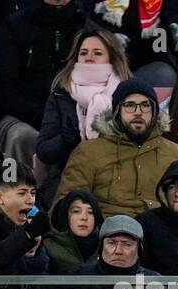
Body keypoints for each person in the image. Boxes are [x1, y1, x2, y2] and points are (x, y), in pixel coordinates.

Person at [55, 78, 178, 218]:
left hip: (159, 231)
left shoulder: (174, 153)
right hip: (106, 232)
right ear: (117, 111)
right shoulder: (89, 152)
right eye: (130, 105)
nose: (138, 112)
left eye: (145, 105)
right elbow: (67, 204)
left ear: (154, 111)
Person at [36, 29, 132, 205]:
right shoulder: (61, 94)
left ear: (112, 58)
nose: (89, 58)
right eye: (83, 53)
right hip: (69, 178)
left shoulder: (129, 93)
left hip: (117, 179)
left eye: (97, 53)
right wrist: (65, 141)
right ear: (76, 58)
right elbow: (43, 151)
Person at [0, 0, 90, 173]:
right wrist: (43, 118)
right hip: (22, 117)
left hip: (75, 117)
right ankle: (18, 196)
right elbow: (2, 87)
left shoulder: (89, 31)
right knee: (22, 136)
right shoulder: (14, 26)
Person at [44, 189, 103, 275]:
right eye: (76, 211)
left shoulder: (106, 248)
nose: (84, 217)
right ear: (64, 214)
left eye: (90, 212)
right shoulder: (47, 247)